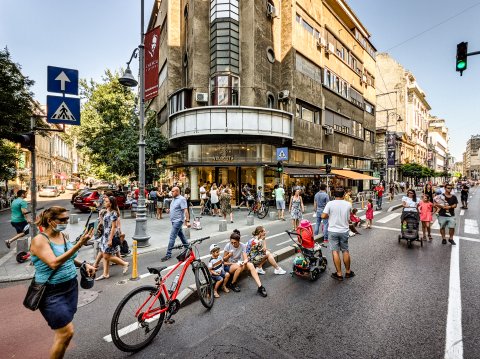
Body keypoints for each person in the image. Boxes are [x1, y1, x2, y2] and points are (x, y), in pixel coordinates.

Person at [30, 206, 96, 359]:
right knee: (67, 332)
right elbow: (53, 263)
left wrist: (84, 264)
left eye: (67, 219)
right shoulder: (39, 240)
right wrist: (79, 244)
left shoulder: (62, 235)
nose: (66, 222)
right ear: (50, 221)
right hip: (51, 292)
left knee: (64, 336)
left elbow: (69, 258)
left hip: (70, 288)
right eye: (62, 220)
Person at [321, 187, 354, 281]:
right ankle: (348, 272)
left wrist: (329, 214)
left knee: (335, 251)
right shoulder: (348, 204)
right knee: (345, 251)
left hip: (333, 231)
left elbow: (323, 216)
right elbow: (349, 217)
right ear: (344, 195)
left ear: (334, 195)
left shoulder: (330, 203)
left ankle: (339, 274)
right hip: (344, 230)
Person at [96, 196, 129, 280]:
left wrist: (110, 239)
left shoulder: (113, 213)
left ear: (110, 203)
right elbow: (104, 223)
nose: (104, 202)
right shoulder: (106, 211)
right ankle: (105, 274)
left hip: (110, 235)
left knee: (106, 256)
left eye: (106, 201)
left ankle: (124, 263)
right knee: (105, 255)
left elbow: (113, 227)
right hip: (105, 235)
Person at [223, 230, 266, 295]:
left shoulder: (243, 246)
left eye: (235, 242)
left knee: (250, 265)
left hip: (239, 264)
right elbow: (223, 260)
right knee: (239, 266)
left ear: (239, 241)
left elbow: (246, 259)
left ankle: (260, 287)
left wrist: (244, 262)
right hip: (229, 265)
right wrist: (229, 255)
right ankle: (233, 283)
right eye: (232, 242)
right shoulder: (228, 246)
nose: (233, 244)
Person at [161, 186, 191, 261]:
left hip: (178, 221)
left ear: (177, 191)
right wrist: (169, 210)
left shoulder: (182, 199)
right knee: (181, 235)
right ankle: (188, 248)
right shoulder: (174, 199)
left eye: (173, 191)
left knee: (172, 237)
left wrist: (187, 221)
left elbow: (185, 210)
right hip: (173, 220)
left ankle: (168, 254)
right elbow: (175, 209)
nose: (171, 192)